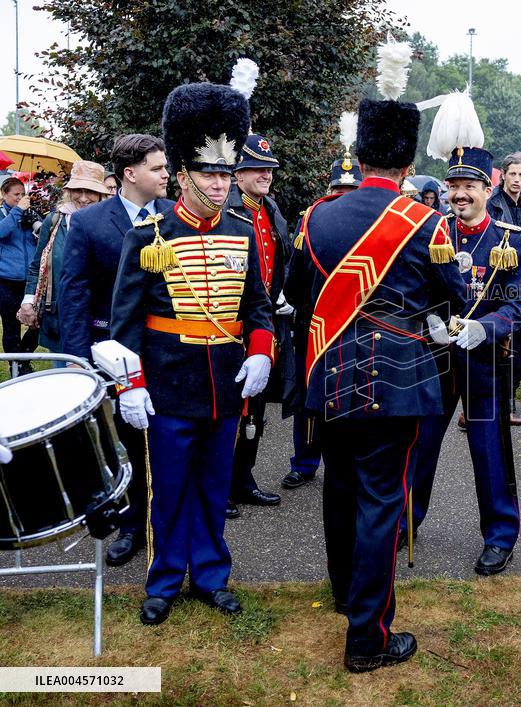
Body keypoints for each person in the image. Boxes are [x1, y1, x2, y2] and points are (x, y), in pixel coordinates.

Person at [286, 69, 467, 672]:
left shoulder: (317, 217)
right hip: (400, 377)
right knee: (382, 502)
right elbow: (455, 297)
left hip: (331, 369)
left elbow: (299, 294)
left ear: (359, 151)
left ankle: (345, 596)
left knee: (339, 490)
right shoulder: (427, 223)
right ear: (406, 157)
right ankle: (367, 637)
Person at [111, 82, 273, 625]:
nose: (220, 183)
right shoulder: (150, 233)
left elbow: (258, 308)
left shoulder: (243, 230)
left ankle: (210, 576)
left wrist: (261, 353)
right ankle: (163, 579)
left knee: (212, 487)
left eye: (226, 174)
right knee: (168, 489)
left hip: (225, 382)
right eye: (210, 173)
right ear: (183, 176)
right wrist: (129, 385)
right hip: (167, 382)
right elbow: (125, 322)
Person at [401, 139, 521, 576]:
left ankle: (499, 536)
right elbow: (415, 292)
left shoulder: (510, 239)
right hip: (435, 361)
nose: (459, 194)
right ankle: (407, 523)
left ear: (487, 187)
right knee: (419, 446)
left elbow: (519, 303)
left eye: (468, 186)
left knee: (489, 450)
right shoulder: (433, 233)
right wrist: (430, 323)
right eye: (453, 185)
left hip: (484, 361)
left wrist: (483, 328)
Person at [59, 134, 172, 567]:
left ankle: (168, 522)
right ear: (130, 173)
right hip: (115, 351)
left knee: (170, 438)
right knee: (126, 439)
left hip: (170, 349)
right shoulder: (89, 224)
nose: (166, 175)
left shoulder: (174, 216)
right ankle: (130, 525)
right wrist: (78, 362)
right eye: (158, 168)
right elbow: (74, 296)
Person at [281, 139, 366, 491]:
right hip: (314, 322)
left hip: (358, 324)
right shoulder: (310, 219)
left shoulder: (372, 224)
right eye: (339, 189)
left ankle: (352, 462)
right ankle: (305, 461)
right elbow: (296, 277)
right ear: (330, 189)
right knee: (309, 396)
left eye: (351, 190)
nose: (344, 195)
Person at [225, 134, 289, 518]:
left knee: (257, 407)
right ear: (238, 173)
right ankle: (222, 484)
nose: (266, 175)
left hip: (264, 322)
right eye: (257, 169)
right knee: (233, 407)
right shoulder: (229, 209)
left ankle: (244, 477)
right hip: (233, 322)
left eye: (268, 169)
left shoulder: (271, 208)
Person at [18, 160, 110, 355]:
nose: (84, 198)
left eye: (90, 191)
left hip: (99, 318)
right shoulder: (55, 221)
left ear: (102, 194)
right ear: (69, 191)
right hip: (59, 316)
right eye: (78, 190)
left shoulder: (110, 223)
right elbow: (37, 266)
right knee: (63, 377)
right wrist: (28, 301)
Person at [487, 151, 521, 426]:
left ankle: (504, 409)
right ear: (504, 175)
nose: (517, 179)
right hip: (496, 284)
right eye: (513, 174)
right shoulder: (491, 204)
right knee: (492, 347)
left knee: (511, 350)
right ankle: (474, 409)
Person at [0, 177, 39, 376]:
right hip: (6, 281)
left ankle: (24, 356)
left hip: (29, 280)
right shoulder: (5, 214)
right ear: (4, 195)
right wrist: (17, 211)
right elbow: (2, 231)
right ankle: (15, 366)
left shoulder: (28, 214)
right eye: (16, 194)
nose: (20, 198)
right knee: (11, 326)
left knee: (38, 322)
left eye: (22, 194)